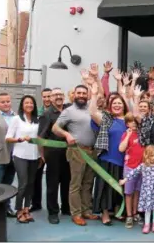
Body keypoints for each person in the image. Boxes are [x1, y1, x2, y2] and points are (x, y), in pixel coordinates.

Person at [52, 85, 99, 226]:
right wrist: (66, 134)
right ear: (74, 94)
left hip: (92, 151)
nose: (81, 95)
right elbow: (55, 128)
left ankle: (86, 211)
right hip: (77, 151)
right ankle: (76, 214)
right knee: (76, 184)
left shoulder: (91, 109)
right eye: (79, 92)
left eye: (84, 93)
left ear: (88, 95)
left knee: (88, 183)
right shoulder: (69, 111)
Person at [89, 81, 129, 226]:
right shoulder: (107, 119)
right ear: (110, 106)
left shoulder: (129, 121)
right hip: (107, 158)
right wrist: (93, 95)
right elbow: (93, 113)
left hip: (124, 160)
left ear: (124, 105)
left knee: (119, 186)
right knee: (105, 187)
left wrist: (125, 93)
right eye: (114, 103)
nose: (117, 105)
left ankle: (118, 209)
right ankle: (105, 213)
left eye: (120, 103)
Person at [37, 88, 71, 224]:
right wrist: (42, 155)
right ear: (50, 99)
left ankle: (66, 207)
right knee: (52, 184)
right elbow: (40, 136)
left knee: (67, 181)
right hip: (53, 154)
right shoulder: (47, 114)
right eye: (55, 95)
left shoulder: (68, 111)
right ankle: (52, 212)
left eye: (60, 94)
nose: (58, 97)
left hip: (68, 153)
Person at [5, 95, 40, 223]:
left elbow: (39, 139)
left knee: (31, 184)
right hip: (20, 155)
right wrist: (19, 139)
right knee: (23, 184)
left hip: (34, 155)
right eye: (26, 103)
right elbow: (8, 138)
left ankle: (26, 209)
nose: (29, 105)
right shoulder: (16, 119)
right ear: (22, 105)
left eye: (31, 103)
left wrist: (41, 156)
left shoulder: (37, 120)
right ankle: (19, 210)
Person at [120, 145, 154, 234]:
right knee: (147, 209)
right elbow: (133, 173)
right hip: (147, 192)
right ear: (146, 155)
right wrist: (124, 180)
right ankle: (147, 224)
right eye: (151, 156)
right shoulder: (143, 166)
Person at [119, 113, 144, 228]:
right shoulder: (125, 134)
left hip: (141, 167)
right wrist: (128, 136)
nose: (133, 123)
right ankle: (129, 215)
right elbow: (121, 149)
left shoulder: (142, 134)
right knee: (128, 192)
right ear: (127, 124)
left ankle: (135, 213)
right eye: (130, 121)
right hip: (129, 167)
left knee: (137, 191)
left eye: (135, 121)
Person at [31, 88, 52, 212]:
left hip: (54, 150)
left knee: (53, 178)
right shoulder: (37, 113)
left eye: (49, 96)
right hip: (39, 150)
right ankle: (36, 203)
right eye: (44, 96)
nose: (47, 99)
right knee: (36, 177)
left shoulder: (58, 112)